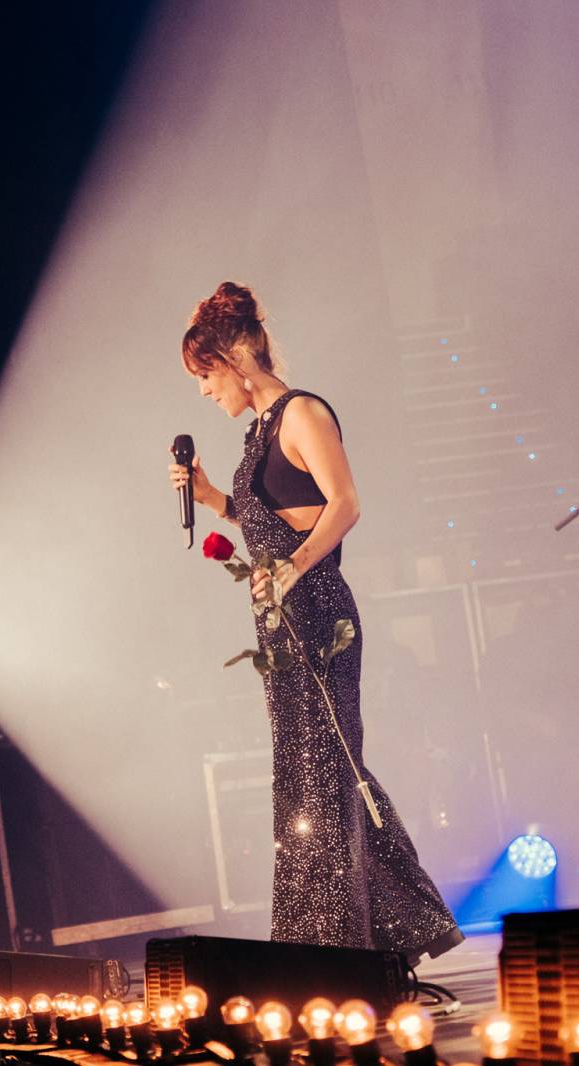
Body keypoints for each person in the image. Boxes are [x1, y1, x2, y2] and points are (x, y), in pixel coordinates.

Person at [168, 281, 462, 961]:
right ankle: (394, 933)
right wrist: (214, 499)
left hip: (320, 613)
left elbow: (345, 504)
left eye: (205, 376)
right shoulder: (258, 433)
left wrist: (294, 567)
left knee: (324, 768)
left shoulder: (302, 414)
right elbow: (272, 524)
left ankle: (341, 947)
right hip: (281, 621)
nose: (204, 393)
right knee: (309, 774)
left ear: (235, 360)